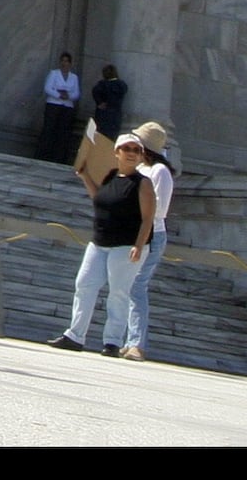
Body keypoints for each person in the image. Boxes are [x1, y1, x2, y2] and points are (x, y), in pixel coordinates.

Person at [49, 131, 158, 354]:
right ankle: (75, 335)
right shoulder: (110, 177)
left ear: (140, 156)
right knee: (85, 284)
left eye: (136, 150)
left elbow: (148, 218)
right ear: (116, 152)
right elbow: (100, 199)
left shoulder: (143, 183)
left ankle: (113, 341)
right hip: (100, 242)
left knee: (118, 292)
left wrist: (139, 245)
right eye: (126, 149)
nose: (131, 153)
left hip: (126, 245)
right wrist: (86, 177)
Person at [122, 120, 177, 360]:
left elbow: (160, 209)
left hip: (153, 233)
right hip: (132, 232)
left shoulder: (159, 172)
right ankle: (125, 339)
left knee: (137, 286)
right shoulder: (140, 170)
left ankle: (136, 343)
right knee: (125, 285)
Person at [36, 53, 81, 162]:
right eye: (62, 61)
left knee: (62, 132)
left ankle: (58, 157)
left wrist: (68, 96)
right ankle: (43, 155)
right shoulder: (54, 73)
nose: (64, 63)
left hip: (67, 107)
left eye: (66, 61)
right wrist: (58, 95)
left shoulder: (74, 77)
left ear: (70, 63)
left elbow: (77, 93)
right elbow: (47, 88)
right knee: (49, 130)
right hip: (53, 105)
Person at [90, 63, 127, 138]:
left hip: (103, 115)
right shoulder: (122, 85)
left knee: (101, 139)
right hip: (115, 116)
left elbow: (95, 91)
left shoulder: (102, 85)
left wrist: (99, 102)